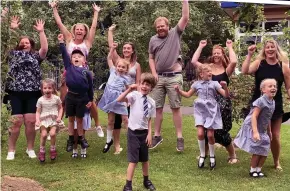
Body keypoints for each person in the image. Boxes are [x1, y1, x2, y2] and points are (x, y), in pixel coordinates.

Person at [50, 1, 104, 137]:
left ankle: (97, 125)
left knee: (90, 102)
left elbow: (93, 27)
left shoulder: (87, 42)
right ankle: (57, 125)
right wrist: (54, 8)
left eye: (82, 29)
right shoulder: (68, 39)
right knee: (63, 100)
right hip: (68, 73)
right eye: (77, 29)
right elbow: (59, 24)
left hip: (83, 74)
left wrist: (96, 13)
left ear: (84, 31)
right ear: (74, 31)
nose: (79, 30)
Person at [241, 39, 290, 170]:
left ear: (276, 49)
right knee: (259, 134)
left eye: (272, 47)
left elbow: (288, 87)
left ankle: (276, 161)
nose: (269, 49)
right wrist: (249, 55)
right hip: (259, 105)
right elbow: (245, 71)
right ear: (264, 50)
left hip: (275, 105)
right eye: (267, 47)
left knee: (275, 135)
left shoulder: (283, 66)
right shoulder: (259, 63)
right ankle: (256, 162)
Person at [148, 0, 189, 152]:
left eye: (162, 26)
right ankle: (157, 135)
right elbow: (151, 58)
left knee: (175, 107)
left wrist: (185, 1)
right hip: (159, 77)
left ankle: (179, 137)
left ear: (168, 26)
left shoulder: (175, 33)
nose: (160, 28)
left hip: (174, 76)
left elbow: (185, 17)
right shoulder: (153, 40)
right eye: (158, 27)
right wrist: (153, 73)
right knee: (157, 108)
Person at [6, 16, 48, 160]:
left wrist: (41, 32)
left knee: (30, 121)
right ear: (18, 45)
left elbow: (45, 49)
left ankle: (30, 148)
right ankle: (11, 150)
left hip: (33, 92)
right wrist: (13, 29)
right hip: (15, 92)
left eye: (27, 42)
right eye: (22, 42)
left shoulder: (36, 56)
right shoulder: (12, 54)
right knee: (16, 121)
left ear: (31, 45)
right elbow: (6, 44)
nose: (25, 44)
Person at [191, 39, 238, 163]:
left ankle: (232, 155)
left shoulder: (226, 69)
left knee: (221, 130)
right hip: (208, 102)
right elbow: (194, 61)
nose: (216, 55)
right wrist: (200, 46)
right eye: (214, 53)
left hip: (223, 102)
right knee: (205, 128)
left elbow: (234, 61)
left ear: (222, 54)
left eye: (219, 53)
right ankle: (205, 154)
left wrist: (229, 47)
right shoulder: (208, 68)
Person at [175, 64, 229, 170]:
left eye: (210, 71)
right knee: (200, 133)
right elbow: (187, 95)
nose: (210, 73)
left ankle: (212, 155)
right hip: (200, 110)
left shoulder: (215, 84)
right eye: (207, 71)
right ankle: (203, 155)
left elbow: (226, 95)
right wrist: (178, 91)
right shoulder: (196, 84)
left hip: (211, 110)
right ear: (201, 74)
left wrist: (225, 87)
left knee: (210, 135)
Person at [117, 73, 157, 191]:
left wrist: (150, 134)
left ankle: (146, 180)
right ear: (139, 84)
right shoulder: (134, 95)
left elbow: (149, 119)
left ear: (151, 88)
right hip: (133, 133)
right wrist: (129, 89)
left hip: (144, 134)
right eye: (142, 83)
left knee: (145, 159)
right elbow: (120, 99)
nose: (144, 86)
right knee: (133, 160)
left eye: (147, 84)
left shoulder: (152, 102)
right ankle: (128, 185)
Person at [108, 24, 142, 154]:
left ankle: (132, 145)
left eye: (129, 48)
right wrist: (110, 31)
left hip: (131, 96)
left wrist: (137, 96)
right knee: (116, 121)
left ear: (132, 51)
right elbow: (112, 47)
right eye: (125, 48)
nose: (126, 50)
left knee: (130, 122)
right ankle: (117, 146)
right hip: (117, 95)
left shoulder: (137, 65)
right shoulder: (118, 61)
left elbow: (138, 82)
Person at [234, 79, 277, 177]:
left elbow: (268, 118)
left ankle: (258, 169)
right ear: (263, 90)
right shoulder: (261, 101)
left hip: (263, 130)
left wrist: (269, 131)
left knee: (265, 150)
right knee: (257, 150)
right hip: (254, 127)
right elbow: (254, 116)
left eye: (275, 86)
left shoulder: (273, 102)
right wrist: (255, 132)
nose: (273, 88)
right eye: (270, 86)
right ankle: (253, 170)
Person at [58, 34, 93, 152]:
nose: (76, 58)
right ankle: (71, 139)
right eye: (74, 56)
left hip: (82, 98)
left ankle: (82, 139)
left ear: (84, 60)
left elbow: (90, 88)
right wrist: (62, 43)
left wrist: (90, 100)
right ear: (71, 59)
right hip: (70, 97)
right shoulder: (69, 67)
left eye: (79, 56)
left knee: (79, 119)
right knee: (71, 119)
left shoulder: (87, 72)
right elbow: (64, 54)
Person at [98, 43, 131, 154]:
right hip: (110, 99)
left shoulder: (126, 78)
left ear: (126, 69)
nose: (120, 68)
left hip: (119, 100)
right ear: (116, 66)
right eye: (119, 66)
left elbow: (128, 89)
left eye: (123, 67)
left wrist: (127, 100)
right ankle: (108, 141)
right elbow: (109, 58)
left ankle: (133, 138)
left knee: (125, 120)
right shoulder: (112, 70)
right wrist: (112, 48)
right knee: (110, 121)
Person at [35, 79, 64, 162]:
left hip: (54, 119)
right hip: (43, 119)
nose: (47, 90)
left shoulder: (56, 98)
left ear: (53, 88)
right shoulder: (40, 100)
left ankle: (53, 149)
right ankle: (42, 151)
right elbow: (38, 111)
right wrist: (37, 120)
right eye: (45, 88)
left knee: (52, 133)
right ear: (42, 89)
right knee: (44, 135)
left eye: (49, 88)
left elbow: (61, 108)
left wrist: (59, 117)